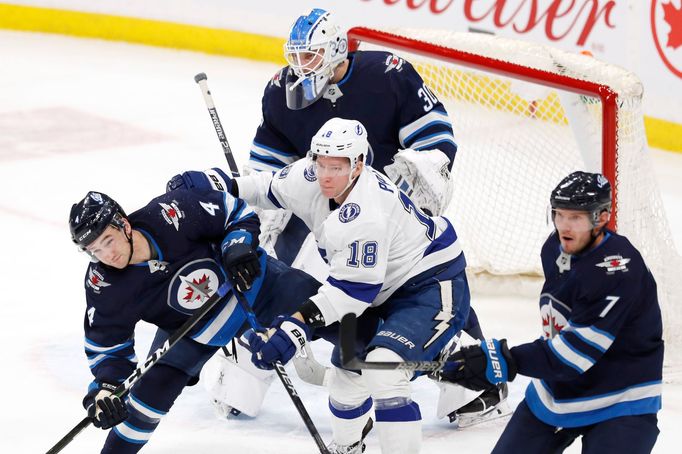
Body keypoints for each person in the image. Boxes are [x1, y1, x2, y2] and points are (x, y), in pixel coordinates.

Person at [171, 6, 505, 426]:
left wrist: (421, 170)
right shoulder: (280, 93)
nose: (298, 66)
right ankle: (246, 377)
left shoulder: (387, 74)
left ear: (334, 51)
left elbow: (435, 135)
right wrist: (259, 204)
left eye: (308, 56)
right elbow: (269, 167)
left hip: (390, 208)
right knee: (279, 284)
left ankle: (470, 380)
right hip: (320, 205)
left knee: (417, 292)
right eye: (294, 55)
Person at [221, 117, 469, 453]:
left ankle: (446, 352)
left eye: (336, 167)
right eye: (321, 163)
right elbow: (264, 188)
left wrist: (295, 328)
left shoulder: (367, 214)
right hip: (380, 292)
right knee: (344, 381)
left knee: (383, 370)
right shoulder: (310, 175)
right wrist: (219, 185)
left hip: (430, 287)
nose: (325, 174)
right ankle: (347, 447)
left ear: (359, 164)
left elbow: (351, 294)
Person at [68, 187, 322, 453]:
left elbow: (234, 211)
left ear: (124, 224)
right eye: (94, 250)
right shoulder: (104, 284)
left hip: (255, 286)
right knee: (144, 401)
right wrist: (106, 390)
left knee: (340, 316)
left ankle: (362, 404)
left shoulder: (171, 213)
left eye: (108, 240)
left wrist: (237, 246)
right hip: (192, 329)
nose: (106, 256)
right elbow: (107, 347)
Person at [435, 171, 663, 453]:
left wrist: (502, 360)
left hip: (621, 400)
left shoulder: (617, 270)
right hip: (558, 392)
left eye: (576, 217)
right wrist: (496, 359)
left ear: (601, 218)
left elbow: (576, 354)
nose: (564, 226)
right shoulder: (555, 248)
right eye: (559, 214)